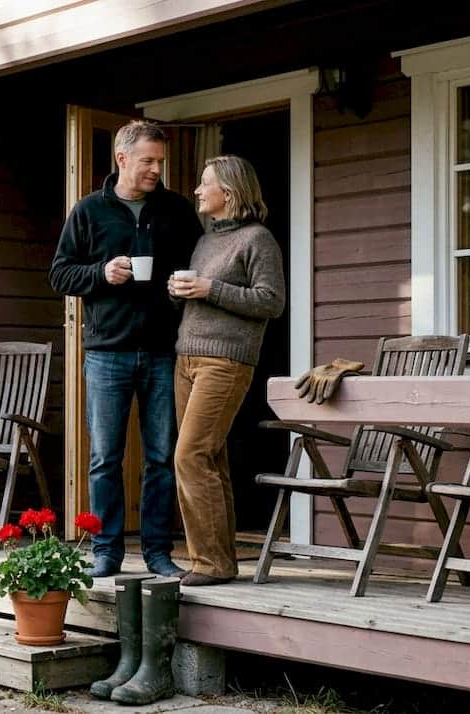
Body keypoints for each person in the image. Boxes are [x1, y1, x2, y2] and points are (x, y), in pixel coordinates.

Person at [50, 120, 201, 578]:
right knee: (104, 459)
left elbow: (198, 264)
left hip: (162, 350)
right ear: (122, 159)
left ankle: (158, 552)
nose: (156, 169)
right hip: (106, 353)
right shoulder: (89, 211)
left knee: (161, 457)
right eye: (148, 161)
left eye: (160, 161)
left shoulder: (175, 209)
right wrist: (100, 273)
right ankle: (106, 551)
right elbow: (60, 274)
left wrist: (184, 287)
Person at [166, 155, 285, 586]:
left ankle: (210, 563)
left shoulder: (258, 239)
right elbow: (205, 296)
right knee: (208, 458)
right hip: (187, 357)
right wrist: (181, 292)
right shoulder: (204, 241)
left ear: (229, 193)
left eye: (204, 183)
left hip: (226, 361)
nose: (197, 190)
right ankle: (221, 560)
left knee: (190, 455)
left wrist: (209, 288)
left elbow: (271, 301)